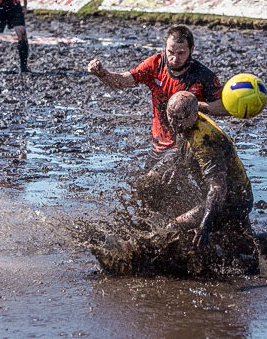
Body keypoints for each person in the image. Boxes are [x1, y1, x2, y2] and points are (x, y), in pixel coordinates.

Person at [87, 25, 228, 164]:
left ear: (191, 50)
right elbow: (123, 81)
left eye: (181, 53)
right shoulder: (155, 64)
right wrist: (102, 73)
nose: (175, 58)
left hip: (188, 146)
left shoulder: (203, 76)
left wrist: (195, 106)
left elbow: (224, 107)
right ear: (165, 48)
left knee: (152, 180)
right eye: (171, 52)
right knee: (142, 185)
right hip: (159, 144)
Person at [166, 91, 253, 247]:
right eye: (171, 117)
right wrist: (177, 165)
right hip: (238, 195)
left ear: (194, 115)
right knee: (244, 244)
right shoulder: (187, 125)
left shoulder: (205, 141)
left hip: (233, 200)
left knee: (173, 227)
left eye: (180, 119)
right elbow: (185, 147)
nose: (175, 123)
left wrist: (205, 224)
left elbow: (218, 188)